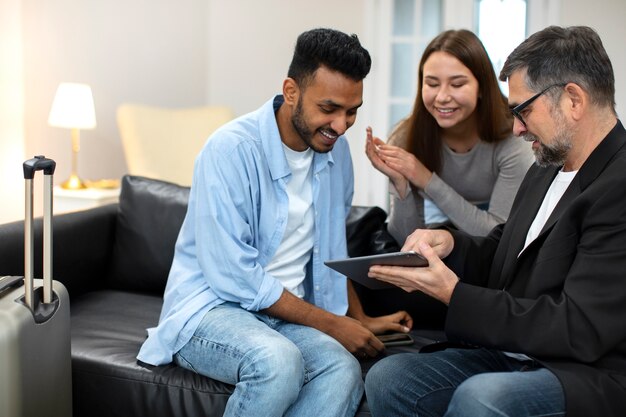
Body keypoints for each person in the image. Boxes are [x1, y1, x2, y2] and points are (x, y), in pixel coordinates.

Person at [137, 28, 412, 417]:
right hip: (212, 311)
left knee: (341, 369)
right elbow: (234, 275)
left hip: (284, 317)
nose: (341, 124)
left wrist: (358, 317)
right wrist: (332, 324)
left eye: (352, 111)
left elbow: (331, 248)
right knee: (278, 362)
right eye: (329, 108)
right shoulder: (230, 150)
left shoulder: (338, 155)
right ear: (292, 91)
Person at [364, 25, 626, 417]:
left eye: (524, 110)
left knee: (484, 398)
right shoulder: (546, 168)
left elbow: (579, 328)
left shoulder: (618, 185)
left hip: (582, 371)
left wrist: (455, 294)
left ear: (573, 99)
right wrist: (450, 244)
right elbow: (503, 253)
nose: (517, 128)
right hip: (515, 352)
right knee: (390, 378)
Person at [366, 29, 534, 245]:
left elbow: (498, 235)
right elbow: (404, 242)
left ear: (482, 87)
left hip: (496, 253)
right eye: (432, 84)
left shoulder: (514, 137)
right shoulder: (406, 138)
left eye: (457, 84)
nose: (442, 97)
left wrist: (426, 179)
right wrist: (401, 186)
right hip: (438, 242)